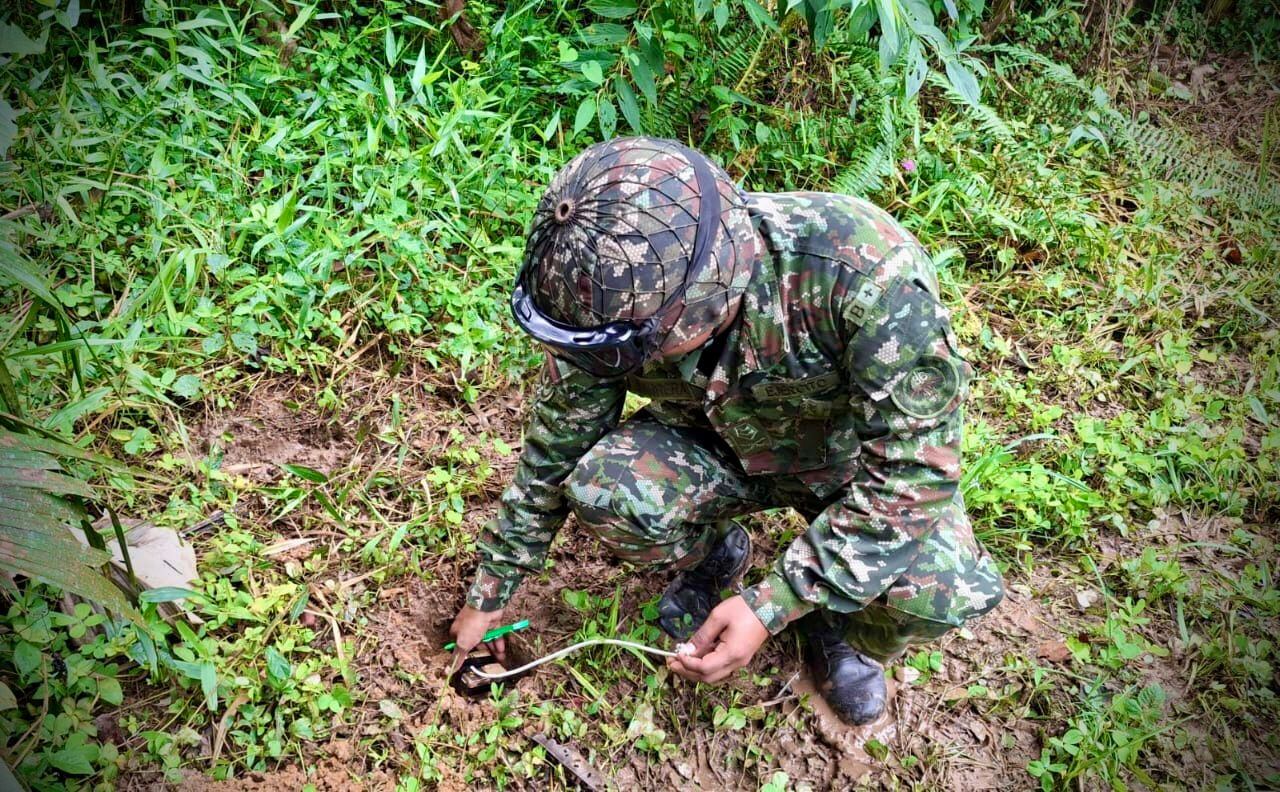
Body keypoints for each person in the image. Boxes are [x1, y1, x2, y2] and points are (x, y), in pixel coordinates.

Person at [448, 137, 1004, 725]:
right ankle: (717, 558)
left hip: (846, 466)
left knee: (943, 589)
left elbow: (913, 473)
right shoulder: (603, 297)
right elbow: (557, 447)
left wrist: (775, 604)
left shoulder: (863, 273)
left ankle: (841, 627)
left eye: (636, 345)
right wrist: (492, 589)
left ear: (706, 296)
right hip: (714, 449)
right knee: (605, 490)